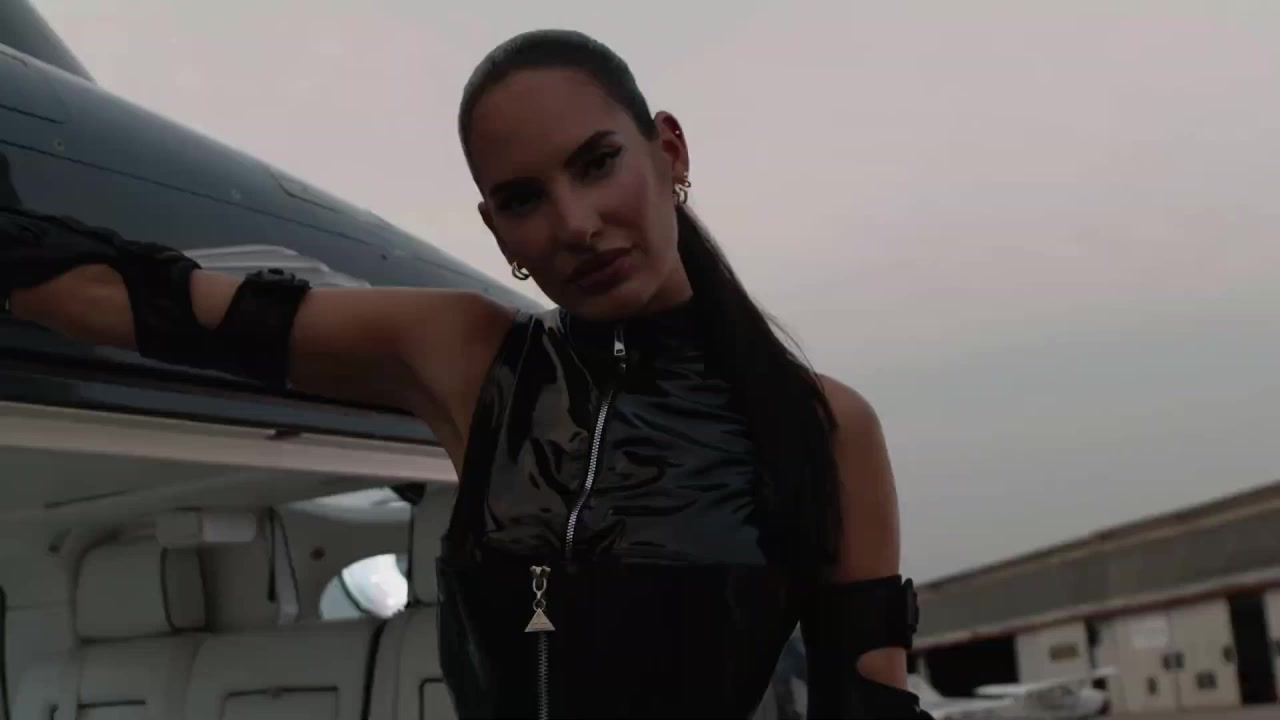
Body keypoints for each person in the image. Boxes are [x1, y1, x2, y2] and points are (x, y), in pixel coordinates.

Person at [1, 28, 931, 719]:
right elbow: (156, 305)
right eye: (525, 199)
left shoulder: (826, 427)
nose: (575, 224)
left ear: (670, 152)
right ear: (498, 232)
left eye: (598, 163)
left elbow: (869, 702)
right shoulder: (469, 355)